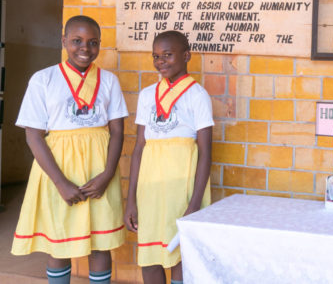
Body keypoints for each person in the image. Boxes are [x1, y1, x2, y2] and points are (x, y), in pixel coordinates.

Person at [12, 15, 127, 284]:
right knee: (59, 241)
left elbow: (118, 132)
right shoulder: (43, 79)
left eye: (93, 42)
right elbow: (34, 136)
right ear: (64, 41)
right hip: (57, 170)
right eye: (76, 41)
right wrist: (61, 182)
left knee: (100, 243)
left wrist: (107, 174)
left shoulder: (109, 81)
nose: (85, 48)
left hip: (98, 170)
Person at [124, 31, 213, 284]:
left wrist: (195, 202)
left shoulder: (197, 95)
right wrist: (131, 199)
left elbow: (206, 151)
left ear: (186, 56)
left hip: (182, 186)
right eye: (155, 56)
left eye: (167, 55)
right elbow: (140, 147)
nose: (160, 61)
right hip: (150, 188)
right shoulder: (146, 95)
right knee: (150, 254)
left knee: (179, 254)